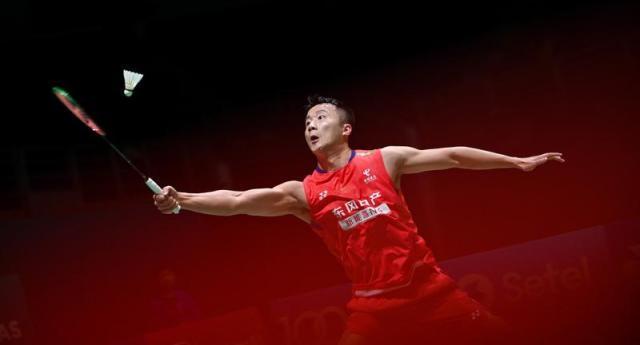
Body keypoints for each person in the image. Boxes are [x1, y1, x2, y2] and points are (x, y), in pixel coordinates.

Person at [153, 95, 565, 344]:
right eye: (307, 123)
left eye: (320, 117)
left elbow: (453, 156)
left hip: (432, 292)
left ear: (346, 128)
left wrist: (516, 161)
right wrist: (182, 200)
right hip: (374, 308)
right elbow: (238, 201)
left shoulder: (385, 160)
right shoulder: (303, 193)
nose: (311, 125)